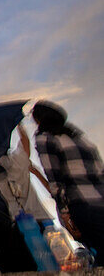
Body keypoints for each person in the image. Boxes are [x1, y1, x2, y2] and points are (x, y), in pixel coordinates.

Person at [32, 100, 104, 254]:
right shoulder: (82, 140)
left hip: (83, 206)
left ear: (38, 119)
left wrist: (65, 215)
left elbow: (56, 182)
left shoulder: (45, 138)